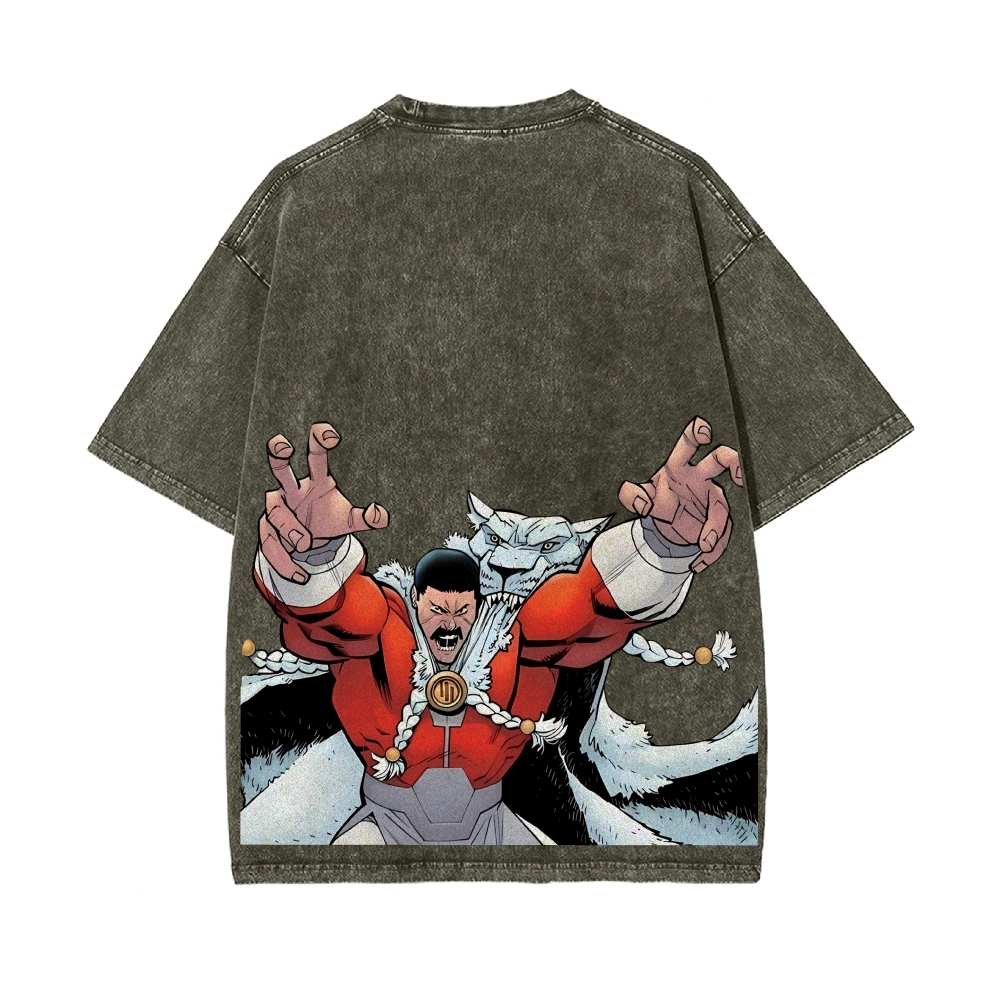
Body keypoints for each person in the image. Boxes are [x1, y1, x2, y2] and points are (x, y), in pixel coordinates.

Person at [253, 418, 742, 844]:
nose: (449, 622)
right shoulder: (385, 631)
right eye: (437, 609)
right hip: (381, 828)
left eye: (461, 611)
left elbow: (590, 607)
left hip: (495, 827)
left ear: (480, 604)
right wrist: (314, 559)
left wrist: (661, 546)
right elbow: (335, 618)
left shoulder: (516, 641)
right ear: (415, 601)